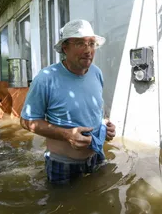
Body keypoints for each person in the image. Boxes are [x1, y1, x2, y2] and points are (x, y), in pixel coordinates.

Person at [20, 19, 116, 184]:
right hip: (63, 164)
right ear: (65, 47)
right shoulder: (46, 78)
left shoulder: (96, 73)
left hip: (97, 156)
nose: (88, 50)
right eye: (80, 43)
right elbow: (26, 121)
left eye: (92, 44)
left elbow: (95, 109)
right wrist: (66, 135)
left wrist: (105, 125)